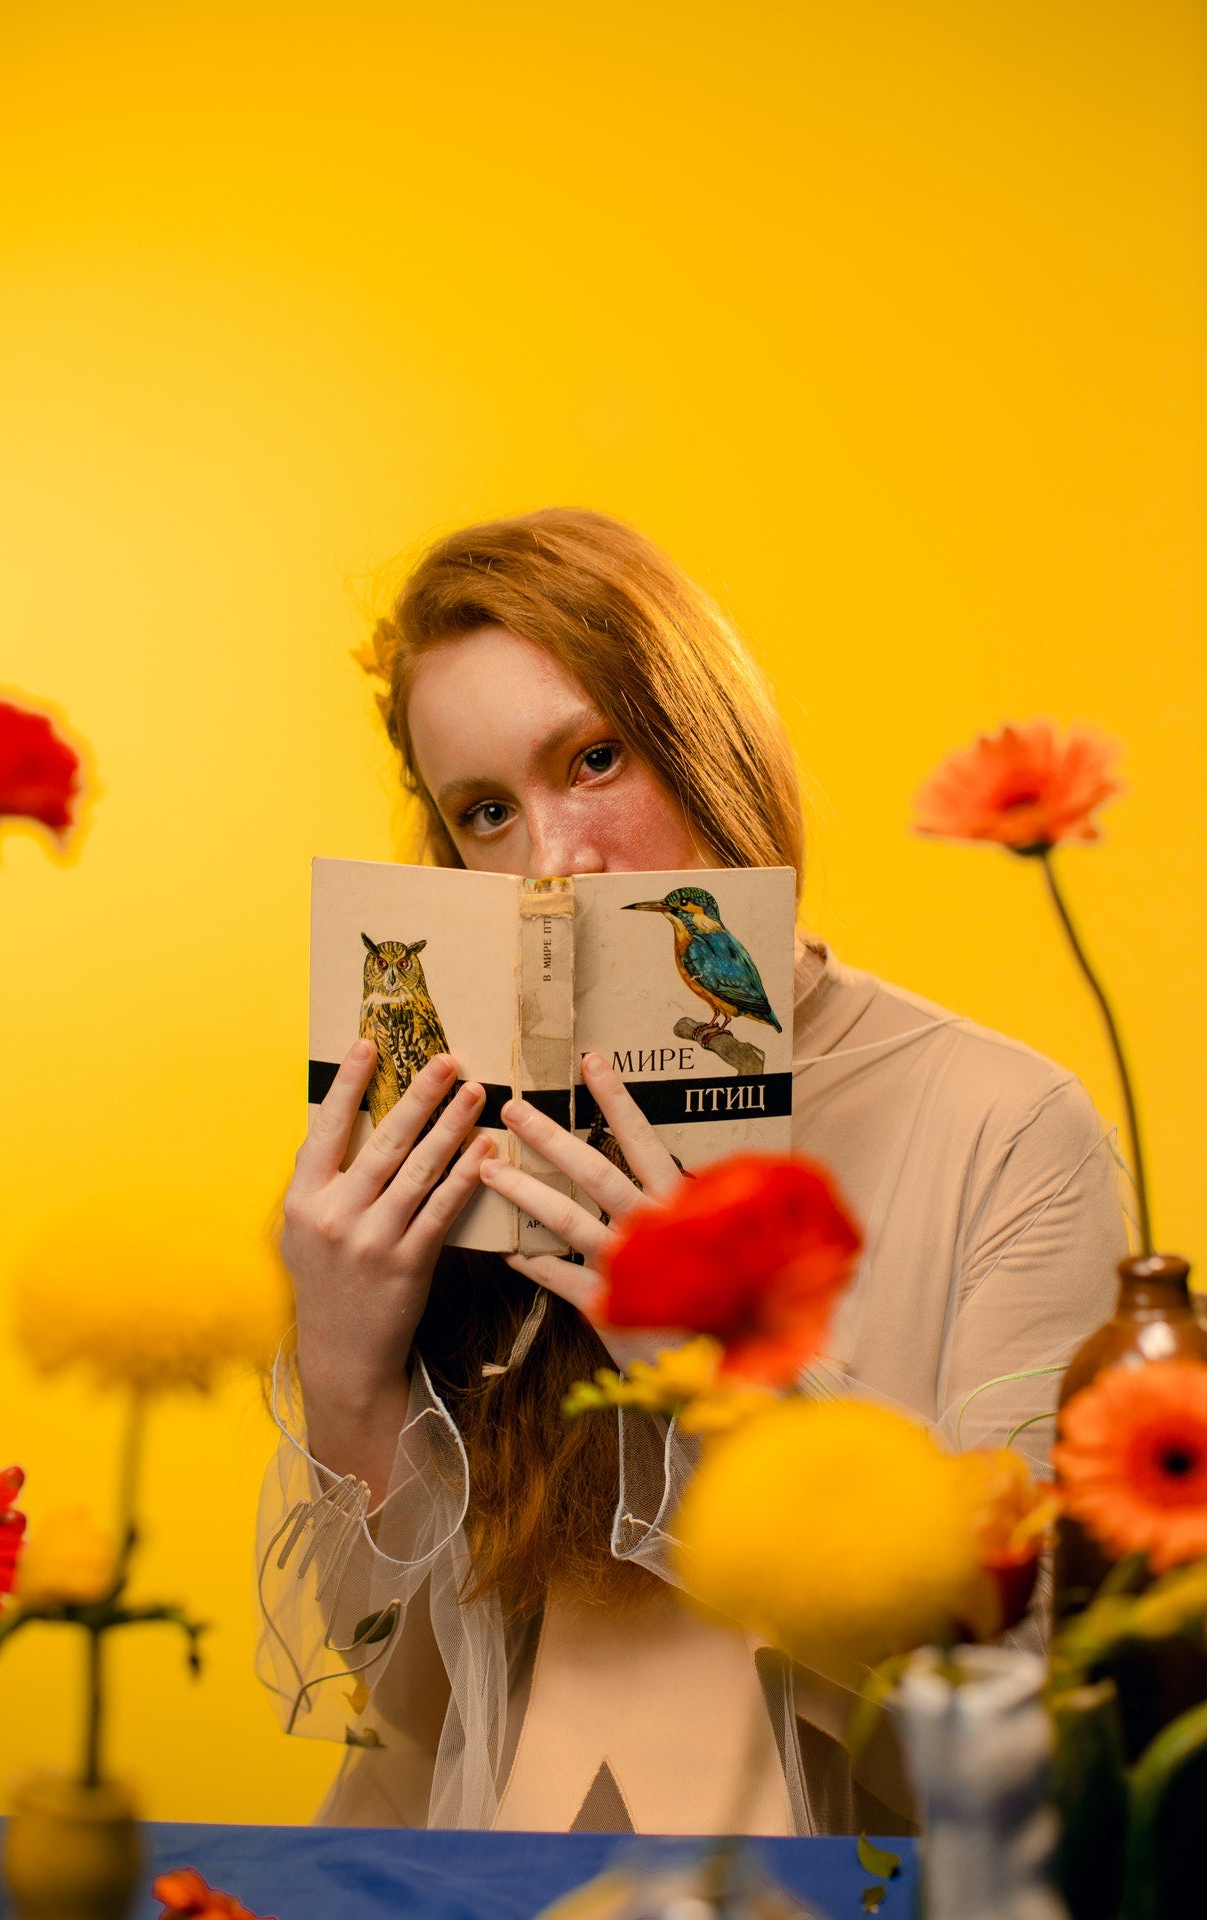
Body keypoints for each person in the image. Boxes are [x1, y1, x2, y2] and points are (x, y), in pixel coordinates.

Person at [256, 508, 1126, 1836]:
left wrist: (723, 1370)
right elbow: (414, 1704)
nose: (554, 861)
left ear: (708, 746)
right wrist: (348, 1362)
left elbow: (1020, 1688)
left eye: (593, 760)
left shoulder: (1011, 1126)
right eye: (485, 812)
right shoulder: (463, 1131)